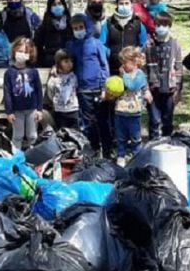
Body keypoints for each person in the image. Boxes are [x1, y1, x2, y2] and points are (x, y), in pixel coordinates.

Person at [68, 12, 110, 151]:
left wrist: (104, 87)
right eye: (75, 28)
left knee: (102, 120)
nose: (79, 30)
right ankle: (93, 149)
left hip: (98, 88)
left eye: (81, 27)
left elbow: (104, 65)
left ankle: (107, 149)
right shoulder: (72, 46)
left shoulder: (96, 43)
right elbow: (66, 63)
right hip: (82, 89)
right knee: (87, 122)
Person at [145, 11, 183, 139]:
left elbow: (178, 67)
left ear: (170, 26)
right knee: (154, 120)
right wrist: (145, 89)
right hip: (153, 89)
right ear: (154, 25)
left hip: (170, 89)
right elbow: (143, 69)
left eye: (165, 25)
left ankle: (167, 143)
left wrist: (178, 89)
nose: (161, 28)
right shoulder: (148, 45)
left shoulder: (175, 44)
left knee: (167, 120)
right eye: (159, 24)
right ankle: (153, 145)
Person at [4, 37, 43, 151]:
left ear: (30, 54)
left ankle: (33, 157)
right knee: (17, 136)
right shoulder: (9, 73)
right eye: (19, 51)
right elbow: (7, 93)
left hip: (32, 109)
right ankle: (16, 158)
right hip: (17, 111)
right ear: (14, 51)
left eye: (25, 52)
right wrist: (9, 111)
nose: (22, 54)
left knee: (32, 135)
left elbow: (38, 91)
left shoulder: (33, 71)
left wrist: (39, 109)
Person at [114, 46, 151, 163]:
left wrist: (124, 76)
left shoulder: (139, 74)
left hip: (134, 113)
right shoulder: (122, 74)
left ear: (134, 61)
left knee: (135, 137)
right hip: (120, 111)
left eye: (125, 63)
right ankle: (121, 155)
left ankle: (137, 156)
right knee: (120, 136)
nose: (123, 66)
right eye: (121, 63)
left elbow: (133, 86)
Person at [101, 0, 148, 72]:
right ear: (117, 4)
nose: (124, 6)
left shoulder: (138, 23)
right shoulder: (108, 23)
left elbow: (143, 44)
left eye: (126, 3)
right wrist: (110, 54)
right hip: (113, 67)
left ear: (131, 4)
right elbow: (101, 43)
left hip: (132, 68)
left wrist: (134, 54)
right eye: (121, 3)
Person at [35, 0, 72, 68]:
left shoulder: (71, 24)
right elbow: (37, 46)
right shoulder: (44, 26)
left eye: (59, 3)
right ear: (50, 7)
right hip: (50, 64)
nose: (57, 6)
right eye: (54, 5)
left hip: (69, 63)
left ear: (64, 5)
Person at [46, 50, 80, 130]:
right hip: (59, 110)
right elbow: (50, 92)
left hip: (73, 109)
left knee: (75, 131)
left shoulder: (74, 76)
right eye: (66, 61)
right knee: (61, 131)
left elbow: (76, 88)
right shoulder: (54, 78)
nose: (69, 64)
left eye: (71, 61)